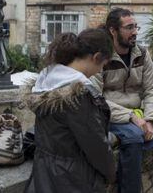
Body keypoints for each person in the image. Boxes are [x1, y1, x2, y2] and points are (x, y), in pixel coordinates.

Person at [92, 8, 153, 193]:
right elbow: (96, 98)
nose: (135, 31)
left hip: (139, 116)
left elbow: (152, 89)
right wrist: (131, 117)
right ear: (113, 30)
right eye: (129, 27)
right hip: (112, 116)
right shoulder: (101, 56)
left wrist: (150, 120)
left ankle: (125, 140)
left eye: (136, 26)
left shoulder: (142, 54)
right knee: (134, 137)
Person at [24, 29, 116, 192]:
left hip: (45, 174)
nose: (99, 71)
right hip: (74, 179)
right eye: (102, 65)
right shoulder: (79, 96)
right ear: (96, 57)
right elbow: (96, 146)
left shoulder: (47, 80)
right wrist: (111, 173)